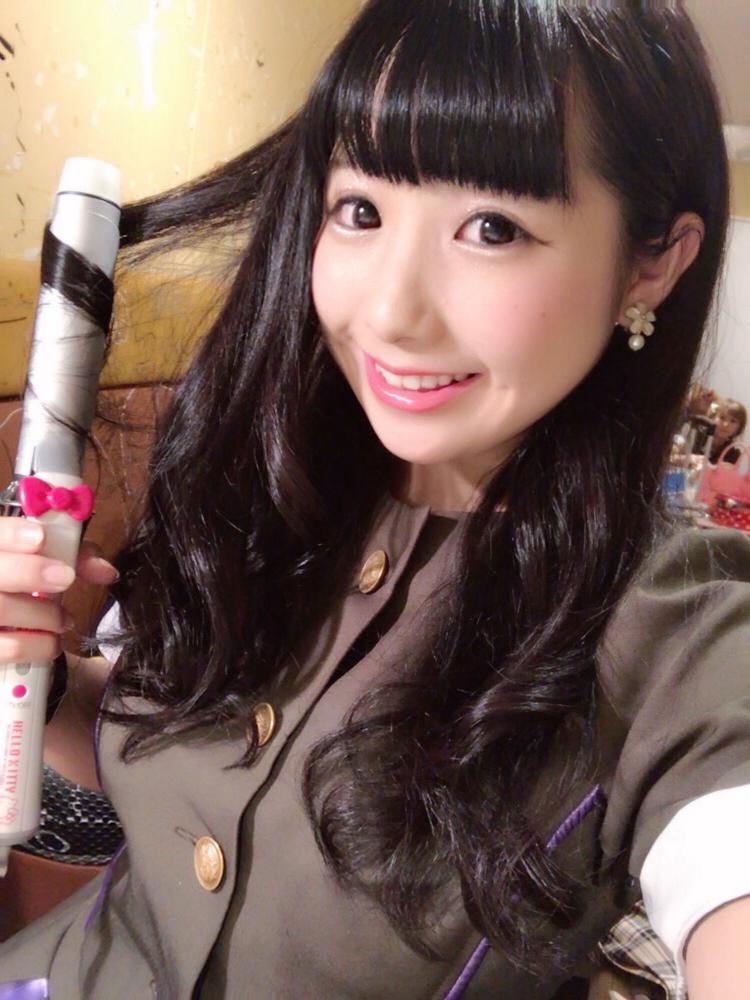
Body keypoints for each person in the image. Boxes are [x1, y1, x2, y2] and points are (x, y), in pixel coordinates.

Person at [1, 2, 749, 998]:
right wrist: (48, 676)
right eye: (359, 210)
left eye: (492, 228)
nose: (390, 311)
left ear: (651, 264)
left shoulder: (672, 623)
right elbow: (180, 782)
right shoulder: (277, 479)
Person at [707, 398, 747, 465]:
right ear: (713, 418)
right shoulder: (698, 436)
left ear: (739, 428)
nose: (725, 425)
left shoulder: (733, 454)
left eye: (733, 421)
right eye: (722, 418)